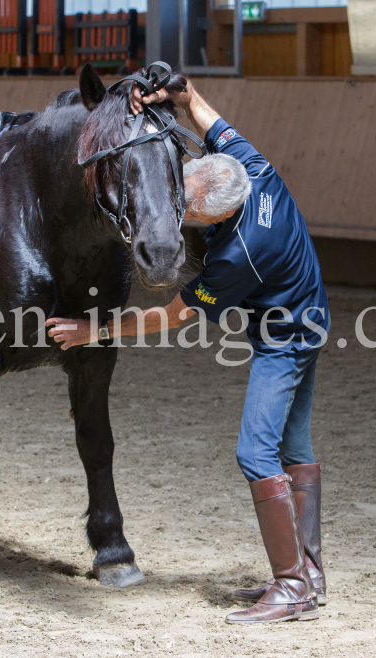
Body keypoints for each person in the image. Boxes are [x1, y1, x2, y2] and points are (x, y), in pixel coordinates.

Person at [45, 78, 329, 624]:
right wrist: (176, 92)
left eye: (187, 214)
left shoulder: (238, 256)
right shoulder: (253, 166)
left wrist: (92, 331)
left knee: (256, 453)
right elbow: (204, 114)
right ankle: (309, 574)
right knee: (295, 449)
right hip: (312, 316)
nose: (178, 217)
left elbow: (169, 317)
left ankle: (292, 586)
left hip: (286, 340)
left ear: (216, 217)